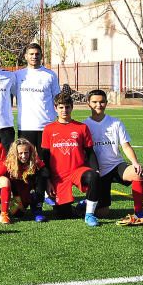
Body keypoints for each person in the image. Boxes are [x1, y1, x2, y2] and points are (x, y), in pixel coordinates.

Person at [84, 90, 143, 225]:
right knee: (103, 213)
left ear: (106, 103)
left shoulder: (116, 123)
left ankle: (139, 212)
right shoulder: (84, 125)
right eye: (94, 102)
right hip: (98, 172)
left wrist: (135, 163)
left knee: (138, 173)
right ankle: (84, 204)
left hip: (115, 165)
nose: (98, 105)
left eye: (102, 102)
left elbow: (125, 146)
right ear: (88, 104)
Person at [41, 93, 102, 226]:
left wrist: (96, 170)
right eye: (61, 107)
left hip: (77, 170)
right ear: (55, 108)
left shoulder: (81, 127)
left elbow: (90, 152)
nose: (64, 110)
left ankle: (89, 214)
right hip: (59, 176)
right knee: (63, 214)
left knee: (93, 177)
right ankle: (81, 205)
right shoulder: (48, 129)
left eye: (67, 107)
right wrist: (48, 181)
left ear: (72, 107)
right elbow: (44, 157)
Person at [14, 43, 60, 154]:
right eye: (31, 54)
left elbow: (57, 98)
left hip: (47, 125)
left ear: (41, 55)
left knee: (46, 160)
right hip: (25, 125)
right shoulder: (17, 75)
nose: (34, 56)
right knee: (26, 161)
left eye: (37, 54)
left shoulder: (50, 75)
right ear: (25, 56)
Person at [0, 137, 47, 224]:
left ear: (30, 152)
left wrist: (49, 184)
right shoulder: (8, 163)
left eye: (26, 152)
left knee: (42, 176)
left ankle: (38, 209)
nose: (23, 156)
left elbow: (45, 172)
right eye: (20, 153)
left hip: (31, 192)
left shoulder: (35, 161)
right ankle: (3, 213)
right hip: (17, 196)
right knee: (18, 214)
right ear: (15, 154)